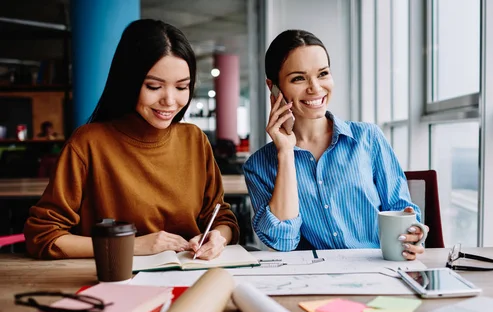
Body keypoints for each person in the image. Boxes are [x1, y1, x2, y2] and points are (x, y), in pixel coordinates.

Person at [24, 19, 239, 260]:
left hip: (190, 275)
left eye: (182, 87)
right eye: (154, 86)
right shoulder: (88, 143)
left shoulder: (194, 140)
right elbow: (43, 235)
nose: (170, 100)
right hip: (115, 281)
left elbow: (221, 218)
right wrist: (131, 245)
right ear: (129, 82)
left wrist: (218, 237)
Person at [243, 29, 426, 260]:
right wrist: (286, 153)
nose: (315, 88)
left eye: (323, 74)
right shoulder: (258, 166)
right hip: (313, 281)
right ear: (274, 87)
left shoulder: (368, 138)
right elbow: (283, 242)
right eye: (298, 78)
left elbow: (404, 212)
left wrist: (414, 235)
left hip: (378, 271)